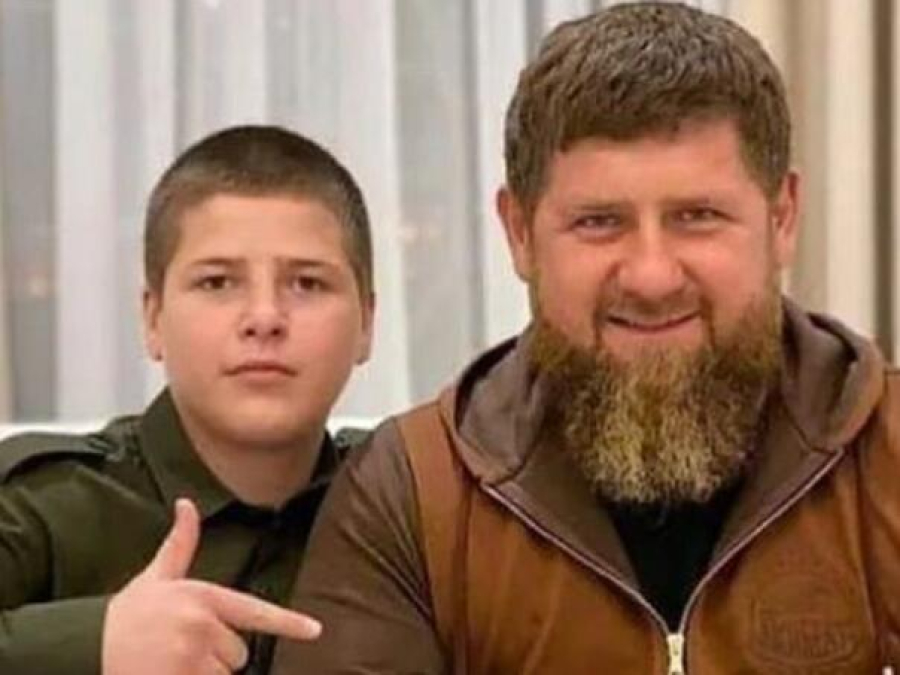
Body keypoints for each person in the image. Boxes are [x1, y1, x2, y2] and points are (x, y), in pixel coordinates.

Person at [272, 3, 900, 674]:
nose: (652, 276)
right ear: (519, 233)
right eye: (599, 222)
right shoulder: (409, 495)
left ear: (782, 219)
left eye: (698, 216)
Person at [0, 124, 375, 675]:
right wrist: (93, 645)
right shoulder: (42, 506)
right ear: (153, 318)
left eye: (307, 283)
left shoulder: (403, 502)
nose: (265, 318)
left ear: (367, 323)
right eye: (218, 283)